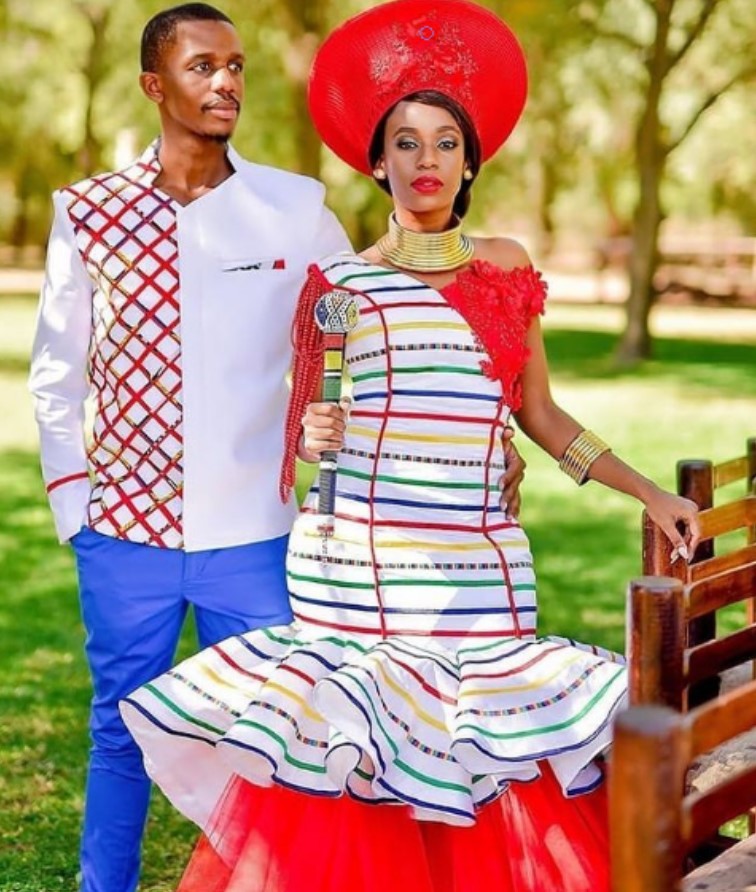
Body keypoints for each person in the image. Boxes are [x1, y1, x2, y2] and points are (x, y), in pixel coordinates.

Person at [119, 1, 700, 891]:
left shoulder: (506, 267)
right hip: (362, 577)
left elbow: (540, 418)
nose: (425, 162)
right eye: (405, 144)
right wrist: (310, 431)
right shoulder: (340, 285)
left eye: (443, 144)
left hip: (476, 573)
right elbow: (311, 428)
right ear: (377, 161)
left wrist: (649, 492)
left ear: (470, 162)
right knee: (365, 774)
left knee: (482, 767)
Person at [28, 4, 525, 891]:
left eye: (236, 67)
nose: (225, 84)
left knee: (279, 734)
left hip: (259, 531)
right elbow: (58, 376)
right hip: (123, 537)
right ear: (154, 84)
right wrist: (80, 516)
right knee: (119, 728)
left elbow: (377, 321)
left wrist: (488, 419)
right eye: (201, 67)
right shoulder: (87, 212)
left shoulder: (295, 208)